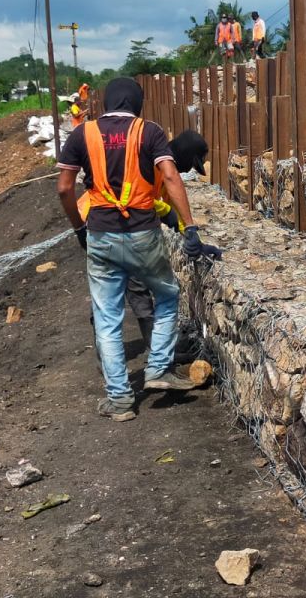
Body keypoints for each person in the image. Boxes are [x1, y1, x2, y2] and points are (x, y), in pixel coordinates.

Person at [56, 77, 217, 421]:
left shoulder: (81, 133)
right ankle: (158, 368)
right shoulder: (150, 132)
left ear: (106, 102)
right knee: (168, 295)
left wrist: (79, 229)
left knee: (107, 317)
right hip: (142, 234)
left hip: (99, 233)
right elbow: (170, 179)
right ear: (138, 104)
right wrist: (190, 229)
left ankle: (120, 401)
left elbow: (63, 188)